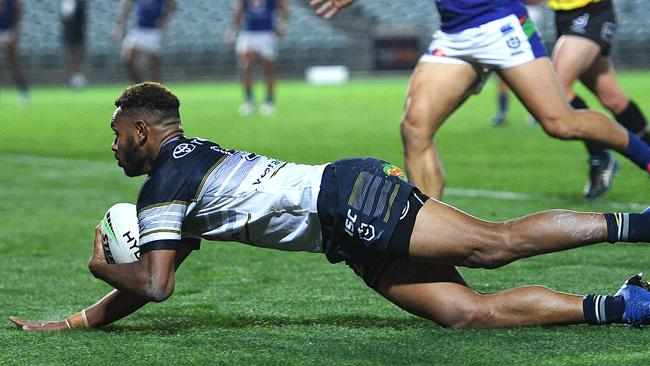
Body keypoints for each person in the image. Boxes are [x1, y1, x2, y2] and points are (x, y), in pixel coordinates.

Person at [9, 82, 650, 331]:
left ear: (143, 132)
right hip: (342, 233)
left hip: (347, 198)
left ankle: (641, 224)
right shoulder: (180, 173)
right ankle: (626, 306)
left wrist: (102, 268)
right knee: (466, 315)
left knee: (494, 245)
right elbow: (157, 271)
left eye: (117, 132)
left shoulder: (165, 183)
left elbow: (153, 284)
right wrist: (75, 323)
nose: (113, 143)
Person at [310, 0, 650, 201]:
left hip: (500, 24)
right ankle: (429, 236)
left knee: (560, 122)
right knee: (415, 129)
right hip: (455, 33)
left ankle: (645, 157)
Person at [550, 0, 650, 199]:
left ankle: (599, 157)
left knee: (557, 88)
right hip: (563, 14)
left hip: (592, 10)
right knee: (613, 100)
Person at [224, 0, 290, 117]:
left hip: (267, 34)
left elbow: (285, 11)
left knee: (268, 70)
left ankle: (269, 101)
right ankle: (249, 100)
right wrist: (233, 31)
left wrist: (281, 26)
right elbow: (239, 12)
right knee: (246, 66)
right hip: (249, 33)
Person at [491, 0, 545, 126]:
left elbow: (535, 2)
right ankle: (502, 111)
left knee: (532, 67)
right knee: (501, 67)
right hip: (501, 15)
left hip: (526, 14)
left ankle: (537, 112)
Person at [114, 0, 176, 83]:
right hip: (138, 30)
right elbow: (126, 6)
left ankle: (155, 89)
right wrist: (120, 26)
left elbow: (172, 5)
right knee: (128, 57)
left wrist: (165, 18)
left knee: (154, 63)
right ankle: (139, 85)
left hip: (153, 31)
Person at [0, 0, 29, 103]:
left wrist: (13, 35)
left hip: (9, 33)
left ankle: (23, 90)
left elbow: (18, 20)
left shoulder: (11, 2)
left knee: (13, 65)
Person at [59, 0, 87, 90]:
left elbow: (82, 20)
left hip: (78, 34)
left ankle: (80, 79)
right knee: (70, 57)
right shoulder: (62, 3)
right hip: (67, 34)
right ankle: (73, 78)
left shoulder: (79, 3)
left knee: (78, 56)